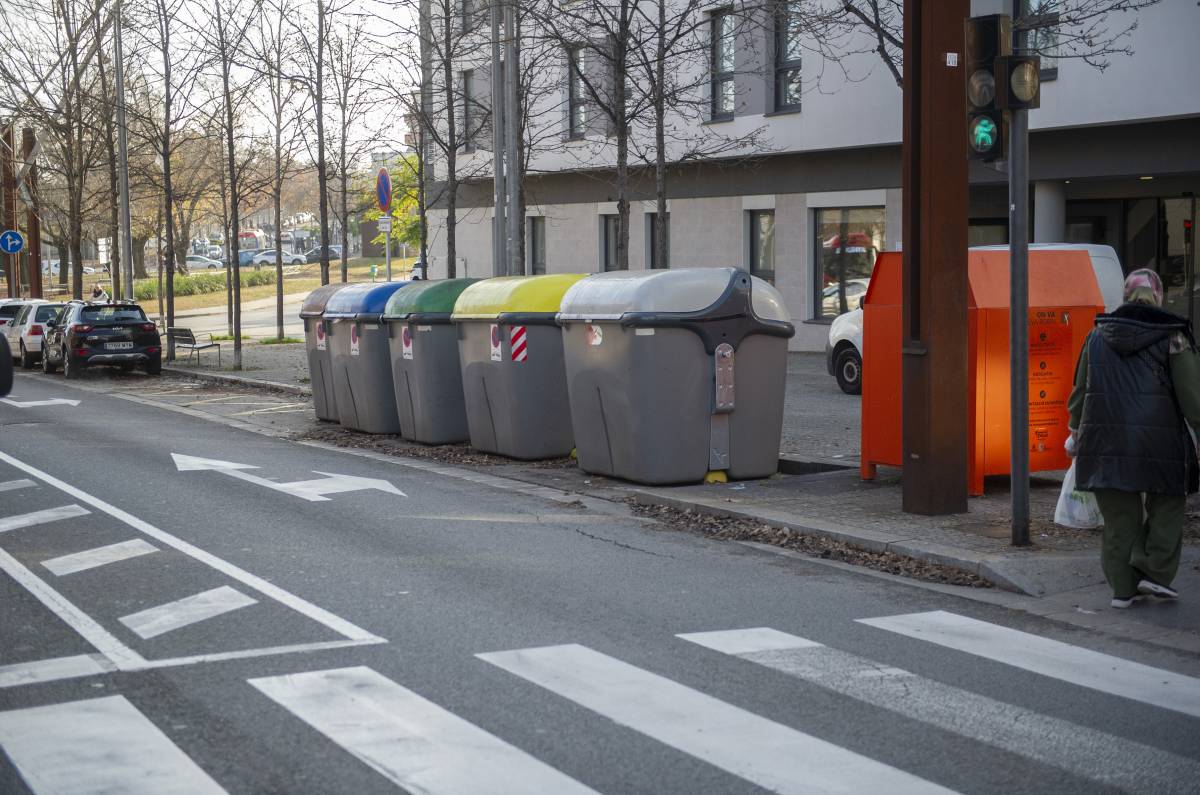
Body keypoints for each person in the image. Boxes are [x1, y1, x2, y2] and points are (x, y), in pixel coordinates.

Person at [1068, 269, 1200, 608]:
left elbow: (1081, 390)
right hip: (1159, 442)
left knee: (1119, 517)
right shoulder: (1174, 337)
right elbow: (1192, 399)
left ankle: (1123, 590)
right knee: (1168, 503)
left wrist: (1075, 430)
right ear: (1158, 296)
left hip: (1103, 441)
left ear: (1126, 296)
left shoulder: (1096, 334)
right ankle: (1153, 571)